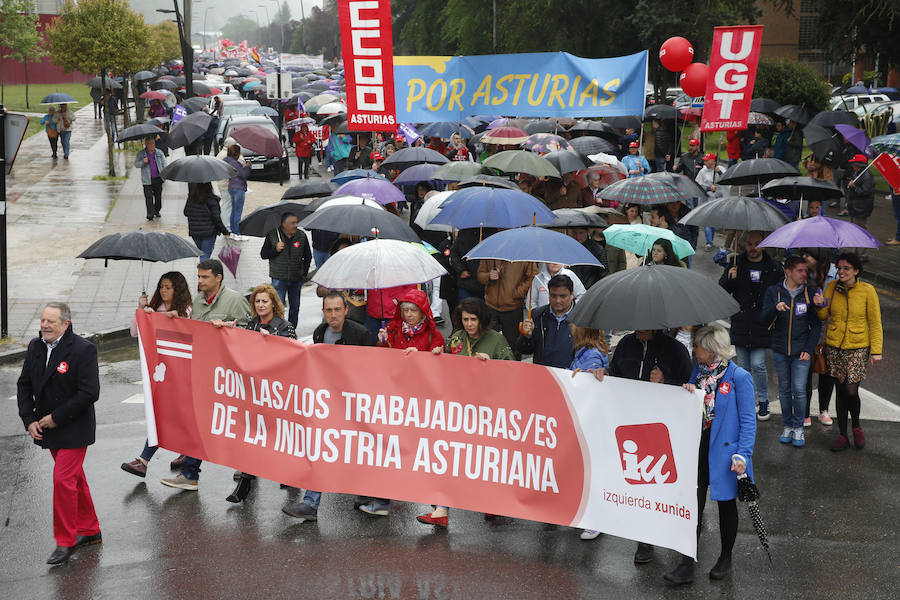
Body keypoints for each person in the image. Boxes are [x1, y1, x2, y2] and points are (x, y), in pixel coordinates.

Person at [663, 325, 757, 584]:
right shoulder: (698, 371)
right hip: (698, 445)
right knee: (692, 504)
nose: (694, 350)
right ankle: (685, 563)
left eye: (698, 346)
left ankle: (725, 559)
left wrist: (743, 455)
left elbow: (749, 421)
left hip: (726, 452)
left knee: (726, 506)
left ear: (712, 349)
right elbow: (695, 405)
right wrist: (688, 393)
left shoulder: (739, 377)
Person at [593, 327, 692, 561]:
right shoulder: (626, 344)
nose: (639, 331)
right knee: (636, 480)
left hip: (661, 427)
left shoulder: (675, 350)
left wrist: (666, 381)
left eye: (644, 327)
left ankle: (663, 535)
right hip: (628, 424)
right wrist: (603, 372)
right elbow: (615, 373)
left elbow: (690, 386)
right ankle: (644, 540)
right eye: (636, 326)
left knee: (656, 482)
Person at [417, 298, 514, 527]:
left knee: (485, 459)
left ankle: (492, 502)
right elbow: (446, 366)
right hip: (458, 409)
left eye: (473, 319)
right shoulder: (457, 338)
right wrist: (439, 355)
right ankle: (441, 510)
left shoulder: (496, 340)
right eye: (465, 319)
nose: (469, 324)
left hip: (486, 411)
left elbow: (512, 371)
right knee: (450, 457)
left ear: (482, 319)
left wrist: (492, 365)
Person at [17, 303, 101, 565]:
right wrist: (28, 419)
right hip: (47, 428)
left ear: (66, 324)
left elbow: (89, 393)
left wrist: (56, 417)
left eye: (51, 321)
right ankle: (90, 529)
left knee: (63, 480)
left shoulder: (83, 350)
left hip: (74, 427)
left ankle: (65, 542)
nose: (44, 325)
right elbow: (24, 384)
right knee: (74, 478)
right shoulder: (35, 346)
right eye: (42, 320)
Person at [282, 291, 375, 520]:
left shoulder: (361, 334)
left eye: (337, 309)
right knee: (320, 451)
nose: (333, 314)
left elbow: (375, 370)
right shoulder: (319, 333)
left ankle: (367, 491)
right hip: (328, 405)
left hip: (355, 405)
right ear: (323, 312)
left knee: (356, 450)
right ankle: (310, 504)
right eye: (328, 310)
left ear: (346, 310)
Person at [160, 260, 250, 491]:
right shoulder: (198, 301)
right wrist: (175, 321)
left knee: (234, 423)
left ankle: (247, 465)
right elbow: (193, 332)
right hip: (203, 372)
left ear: (218, 278)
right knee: (197, 422)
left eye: (204, 277)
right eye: (198, 277)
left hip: (229, 376)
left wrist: (230, 330)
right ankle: (190, 474)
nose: (199, 281)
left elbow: (250, 335)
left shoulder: (234, 299)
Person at [227, 284, 297, 503]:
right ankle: (245, 483)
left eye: (265, 301)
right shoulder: (251, 325)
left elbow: (294, 356)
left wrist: (273, 342)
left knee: (280, 436)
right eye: (257, 301)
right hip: (255, 390)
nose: (260, 305)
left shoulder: (285, 326)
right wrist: (229, 332)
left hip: (277, 391)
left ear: (273, 304)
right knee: (253, 435)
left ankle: (290, 473)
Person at [120, 273, 192, 479]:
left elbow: (185, 330)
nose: (163, 291)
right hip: (159, 373)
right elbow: (135, 333)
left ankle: (144, 460)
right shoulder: (154, 307)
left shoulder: (186, 309)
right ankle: (184, 453)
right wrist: (141, 311)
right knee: (167, 415)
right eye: (161, 287)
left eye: (168, 287)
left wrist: (167, 318)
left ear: (177, 289)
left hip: (179, 374)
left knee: (165, 416)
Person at [814, 253, 883, 451]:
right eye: (839, 268)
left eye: (846, 268)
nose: (841, 271)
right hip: (834, 346)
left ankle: (857, 426)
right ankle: (843, 434)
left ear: (856, 271)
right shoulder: (831, 287)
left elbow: (875, 323)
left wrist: (876, 351)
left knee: (851, 390)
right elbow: (823, 316)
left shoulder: (867, 291)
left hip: (858, 346)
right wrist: (820, 305)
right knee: (840, 389)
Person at [719, 231, 782, 420]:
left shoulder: (774, 267)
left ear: (764, 245)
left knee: (758, 364)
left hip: (762, 323)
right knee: (744, 366)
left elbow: (781, 291)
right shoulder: (736, 263)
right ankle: (746, 402)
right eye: (749, 244)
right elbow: (722, 289)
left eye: (757, 243)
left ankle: (763, 401)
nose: (753, 248)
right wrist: (729, 278)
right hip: (741, 321)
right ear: (744, 244)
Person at [761, 256, 822, 448]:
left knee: (799, 389)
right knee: (784, 390)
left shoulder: (810, 293)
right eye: (800, 271)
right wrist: (775, 309)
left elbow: (817, 325)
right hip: (780, 350)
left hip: (801, 352)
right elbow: (763, 318)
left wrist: (808, 349)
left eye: (806, 271)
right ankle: (787, 426)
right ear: (788, 271)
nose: (805, 274)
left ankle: (798, 428)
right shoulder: (774, 292)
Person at [477, 258, 538, 359]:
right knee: (487, 343)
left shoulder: (525, 256)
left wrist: (517, 292)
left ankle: (514, 371)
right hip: (490, 306)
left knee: (513, 346)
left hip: (513, 307)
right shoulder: (491, 254)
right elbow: (480, 275)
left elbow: (533, 277)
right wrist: (489, 276)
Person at [260, 212, 311, 328]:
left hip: (296, 278)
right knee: (278, 306)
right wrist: (275, 250)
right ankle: (278, 329)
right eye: (293, 223)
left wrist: (304, 273)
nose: (295, 225)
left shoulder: (301, 236)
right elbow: (263, 254)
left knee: (295, 306)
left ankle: (291, 330)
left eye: (296, 222)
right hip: (279, 278)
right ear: (284, 224)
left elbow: (307, 256)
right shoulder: (273, 235)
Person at [802, 248, 835, 426]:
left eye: (808, 255)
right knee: (805, 373)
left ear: (819, 257)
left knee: (826, 373)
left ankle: (824, 410)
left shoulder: (835, 275)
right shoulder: (803, 274)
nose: (804, 257)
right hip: (808, 330)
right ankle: (805, 412)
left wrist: (824, 304)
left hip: (828, 332)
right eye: (804, 254)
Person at [517, 274, 578, 368]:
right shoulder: (537, 315)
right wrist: (527, 337)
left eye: (563, 296)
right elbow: (524, 350)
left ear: (572, 295)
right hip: (543, 374)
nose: (558, 300)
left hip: (571, 376)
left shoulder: (582, 318)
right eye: (553, 296)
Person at [183, 182, 229, 261]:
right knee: (205, 255)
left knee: (202, 253)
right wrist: (225, 231)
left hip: (195, 232)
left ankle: (202, 271)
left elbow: (186, 212)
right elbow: (217, 219)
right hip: (209, 233)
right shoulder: (212, 200)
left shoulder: (191, 198)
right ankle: (202, 272)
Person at [844, 154, 875, 259]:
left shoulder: (866, 175)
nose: (852, 164)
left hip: (861, 208)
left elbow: (865, 191)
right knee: (854, 229)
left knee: (861, 231)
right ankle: (854, 253)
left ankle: (862, 254)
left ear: (859, 164)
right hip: (855, 206)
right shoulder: (858, 173)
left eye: (854, 163)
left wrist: (853, 186)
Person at [694, 152, 726, 251]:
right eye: (705, 160)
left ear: (713, 161)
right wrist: (708, 188)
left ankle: (711, 240)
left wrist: (719, 173)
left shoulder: (721, 170)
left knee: (714, 223)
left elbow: (726, 181)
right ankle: (709, 243)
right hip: (707, 199)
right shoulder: (703, 171)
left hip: (718, 200)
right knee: (707, 221)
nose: (705, 162)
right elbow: (698, 185)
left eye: (707, 160)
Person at [222, 143, 251, 237]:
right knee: (238, 211)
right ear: (237, 153)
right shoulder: (235, 162)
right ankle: (237, 232)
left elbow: (237, 172)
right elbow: (243, 175)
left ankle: (233, 231)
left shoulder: (227, 161)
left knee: (234, 210)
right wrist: (248, 167)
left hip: (231, 187)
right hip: (239, 189)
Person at [135, 137, 167, 221]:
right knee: (148, 197)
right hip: (147, 180)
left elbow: (164, 164)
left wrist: (165, 173)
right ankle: (150, 214)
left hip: (158, 178)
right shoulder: (142, 154)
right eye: (149, 144)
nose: (152, 145)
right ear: (146, 144)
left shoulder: (159, 152)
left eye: (153, 143)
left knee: (158, 196)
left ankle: (157, 210)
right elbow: (136, 164)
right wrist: (143, 162)